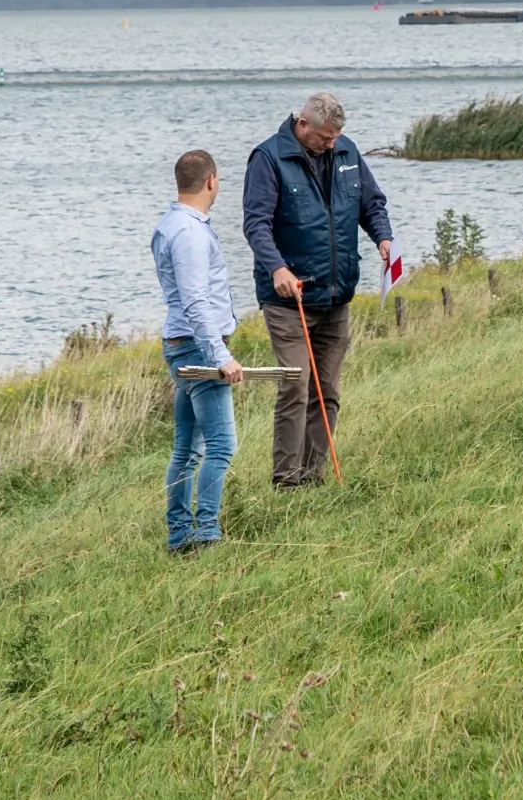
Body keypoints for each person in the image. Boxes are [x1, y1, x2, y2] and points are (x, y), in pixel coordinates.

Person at [241, 89, 397, 487]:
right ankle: (286, 481)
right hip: (288, 299)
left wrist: (382, 238)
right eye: (325, 137)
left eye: (335, 138)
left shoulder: (346, 152)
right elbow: (256, 223)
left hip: (336, 294)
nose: (331, 144)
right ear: (302, 123)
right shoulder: (268, 158)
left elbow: (371, 204)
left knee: (327, 391)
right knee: (296, 385)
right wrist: (276, 267)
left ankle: (314, 477)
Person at [151, 147, 243, 552]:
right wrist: (220, 356)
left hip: (182, 344)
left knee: (187, 448)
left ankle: (178, 536)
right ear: (211, 181)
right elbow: (194, 300)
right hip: (197, 348)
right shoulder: (188, 232)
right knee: (222, 446)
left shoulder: (172, 224)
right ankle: (206, 534)